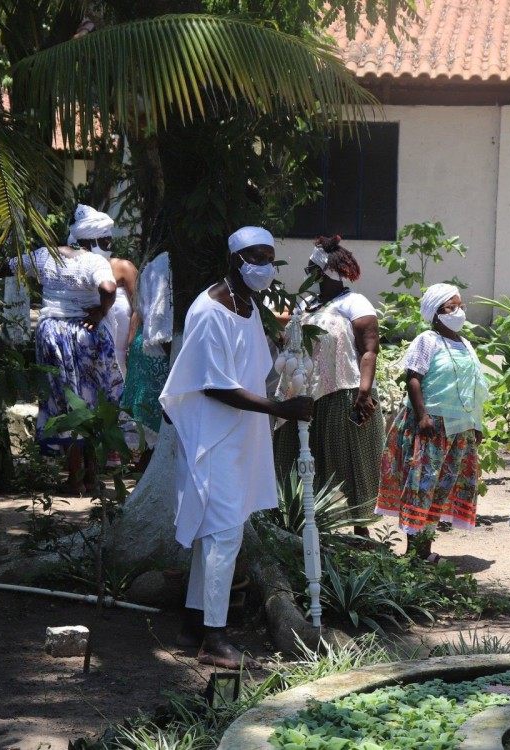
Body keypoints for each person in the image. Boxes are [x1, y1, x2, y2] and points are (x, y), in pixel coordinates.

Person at [160, 226, 313, 668]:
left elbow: (251, 369)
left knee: (216, 534)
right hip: (214, 436)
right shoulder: (211, 311)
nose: (263, 267)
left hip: (240, 436)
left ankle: (192, 629)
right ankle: (215, 636)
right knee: (224, 534)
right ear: (233, 261)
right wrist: (280, 408)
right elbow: (214, 386)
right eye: (254, 258)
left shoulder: (247, 306)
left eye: (269, 258)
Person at [0, 230, 121, 495]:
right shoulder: (95, 261)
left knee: (65, 403)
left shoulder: (44, 255)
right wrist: (100, 312)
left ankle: (74, 480)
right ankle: (91, 478)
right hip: (85, 334)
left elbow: (6, 266)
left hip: (51, 335)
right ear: (92, 240)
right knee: (93, 403)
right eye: (105, 241)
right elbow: (108, 289)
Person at [273, 235, 384, 538]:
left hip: (344, 392)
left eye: (312, 269)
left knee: (350, 461)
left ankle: (361, 531)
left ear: (325, 272)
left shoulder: (355, 303)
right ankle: (304, 525)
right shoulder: (305, 305)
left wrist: (364, 392)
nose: (307, 274)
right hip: (305, 394)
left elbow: (369, 349)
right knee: (301, 458)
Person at [376, 283, 487, 562]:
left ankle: (425, 549)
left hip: (459, 428)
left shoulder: (465, 344)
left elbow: (473, 386)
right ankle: (414, 551)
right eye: (451, 307)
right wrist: (423, 415)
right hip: (431, 426)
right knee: (421, 485)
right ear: (436, 313)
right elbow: (413, 378)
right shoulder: (427, 340)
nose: (458, 312)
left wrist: (475, 423)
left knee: (442, 487)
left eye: (460, 306)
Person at [70, 204, 137, 377]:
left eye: (108, 240)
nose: (109, 244)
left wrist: (132, 348)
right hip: (86, 358)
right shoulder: (73, 271)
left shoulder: (123, 268)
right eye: (104, 240)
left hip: (122, 359)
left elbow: (140, 311)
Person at [121, 251, 171, 460]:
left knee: (145, 409)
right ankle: (149, 461)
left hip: (145, 342)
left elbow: (140, 310)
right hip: (158, 347)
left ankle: (143, 460)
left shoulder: (150, 263)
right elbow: (159, 315)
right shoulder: (165, 265)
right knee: (156, 408)